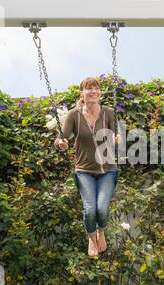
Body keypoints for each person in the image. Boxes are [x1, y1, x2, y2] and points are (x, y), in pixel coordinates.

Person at [54, 77, 121, 257]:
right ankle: (91, 239)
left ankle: (101, 233)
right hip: (84, 170)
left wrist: (116, 138)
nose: (93, 91)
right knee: (90, 209)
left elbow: (115, 134)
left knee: (102, 209)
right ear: (82, 93)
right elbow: (62, 137)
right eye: (89, 88)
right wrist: (61, 142)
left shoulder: (108, 112)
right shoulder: (73, 115)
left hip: (107, 169)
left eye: (96, 88)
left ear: (100, 92)